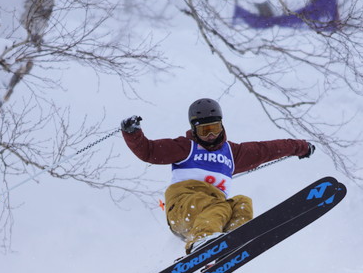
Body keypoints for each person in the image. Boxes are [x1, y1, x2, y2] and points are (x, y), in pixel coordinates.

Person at [121, 98, 316, 253]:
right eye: (204, 131)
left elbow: (267, 149)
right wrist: (133, 134)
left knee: (242, 203)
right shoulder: (185, 147)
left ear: (221, 126)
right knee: (216, 205)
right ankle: (201, 243)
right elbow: (149, 151)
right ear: (194, 129)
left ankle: (232, 240)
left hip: (212, 215)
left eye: (214, 129)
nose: (210, 136)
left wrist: (300, 147)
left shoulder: (232, 153)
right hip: (182, 207)